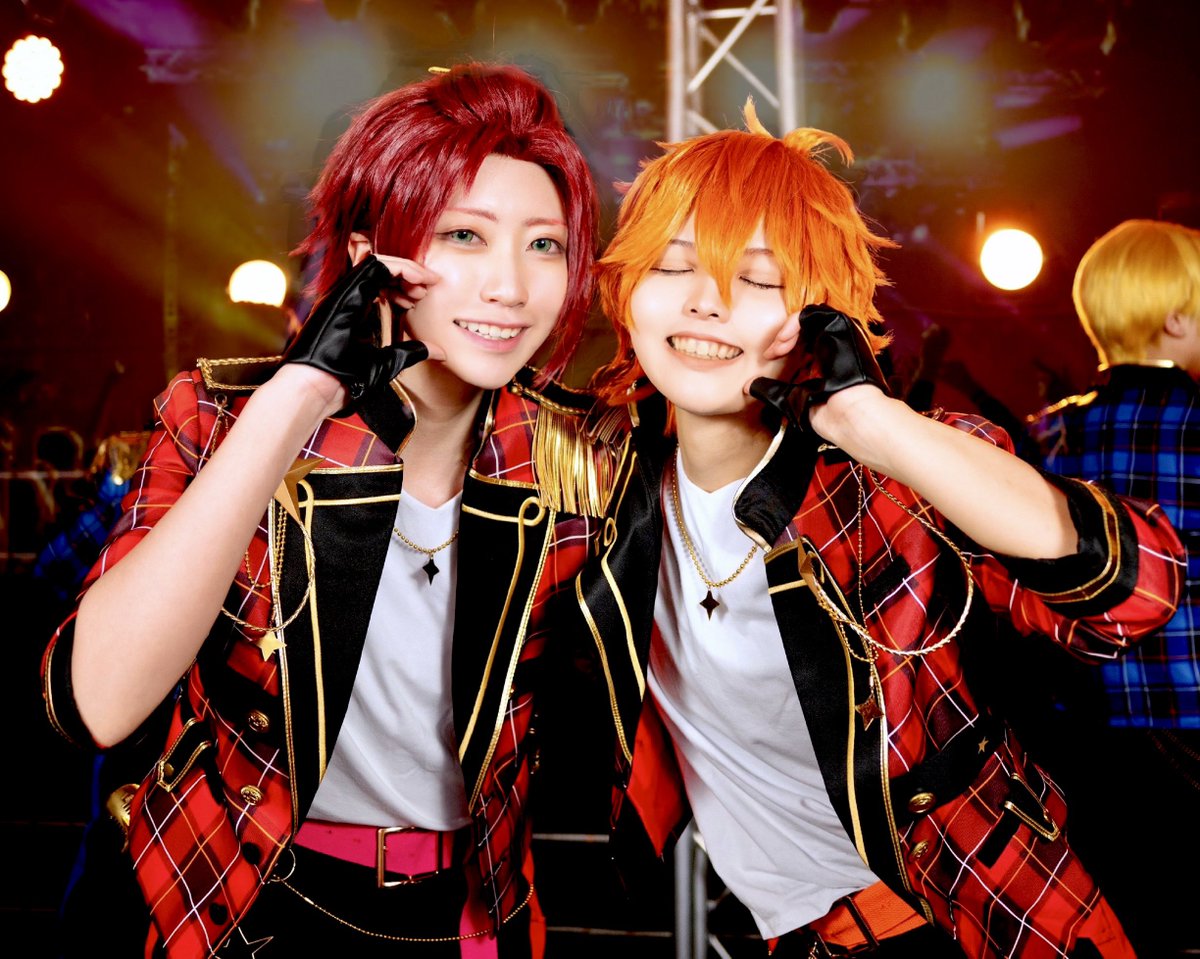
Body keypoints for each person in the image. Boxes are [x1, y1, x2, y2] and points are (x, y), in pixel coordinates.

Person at [574, 105, 1186, 959]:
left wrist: (877, 423)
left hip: (980, 920)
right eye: (672, 266)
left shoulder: (896, 479)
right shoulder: (599, 486)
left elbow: (1141, 593)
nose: (707, 302)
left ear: (818, 314)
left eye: (758, 280)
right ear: (624, 290)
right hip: (795, 937)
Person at [40, 62, 609, 959]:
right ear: (367, 255)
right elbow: (99, 704)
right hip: (235, 891)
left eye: (545, 245)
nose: (511, 285)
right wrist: (300, 394)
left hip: (463, 910)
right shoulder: (222, 415)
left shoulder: (574, 461)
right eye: (464, 235)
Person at [1023, 218, 1200, 958]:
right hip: (1191, 722)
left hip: (1082, 729)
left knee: (1124, 925)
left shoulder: (1046, 432)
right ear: (1177, 319)